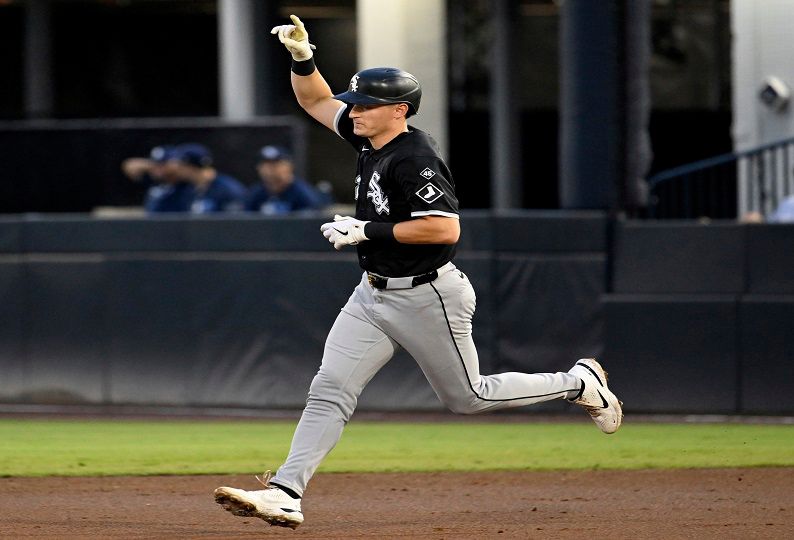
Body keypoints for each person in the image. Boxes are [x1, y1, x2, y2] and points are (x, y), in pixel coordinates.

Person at [213, 15, 624, 530]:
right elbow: (316, 101)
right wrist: (304, 59)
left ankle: (577, 383)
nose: (354, 110)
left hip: (428, 296)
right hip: (372, 295)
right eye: (356, 101)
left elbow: (442, 229)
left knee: (468, 398)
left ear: (398, 111)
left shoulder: (415, 158)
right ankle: (286, 493)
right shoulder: (370, 138)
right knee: (329, 390)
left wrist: (368, 232)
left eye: (365, 104)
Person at [245, 145, 326, 214]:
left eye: (275, 165)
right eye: (265, 165)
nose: (269, 170)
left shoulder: (303, 193)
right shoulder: (256, 192)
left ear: (289, 166)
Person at [173, 143, 247, 213]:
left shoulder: (228, 189)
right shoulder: (186, 189)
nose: (177, 169)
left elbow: (235, 222)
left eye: (181, 166)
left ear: (191, 167)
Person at [121, 145, 195, 213]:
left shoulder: (184, 183)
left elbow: (195, 175)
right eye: (156, 164)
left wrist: (169, 168)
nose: (157, 169)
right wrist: (153, 165)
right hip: (152, 224)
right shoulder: (154, 181)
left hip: (177, 224)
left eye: (162, 164)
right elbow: (130, 167)